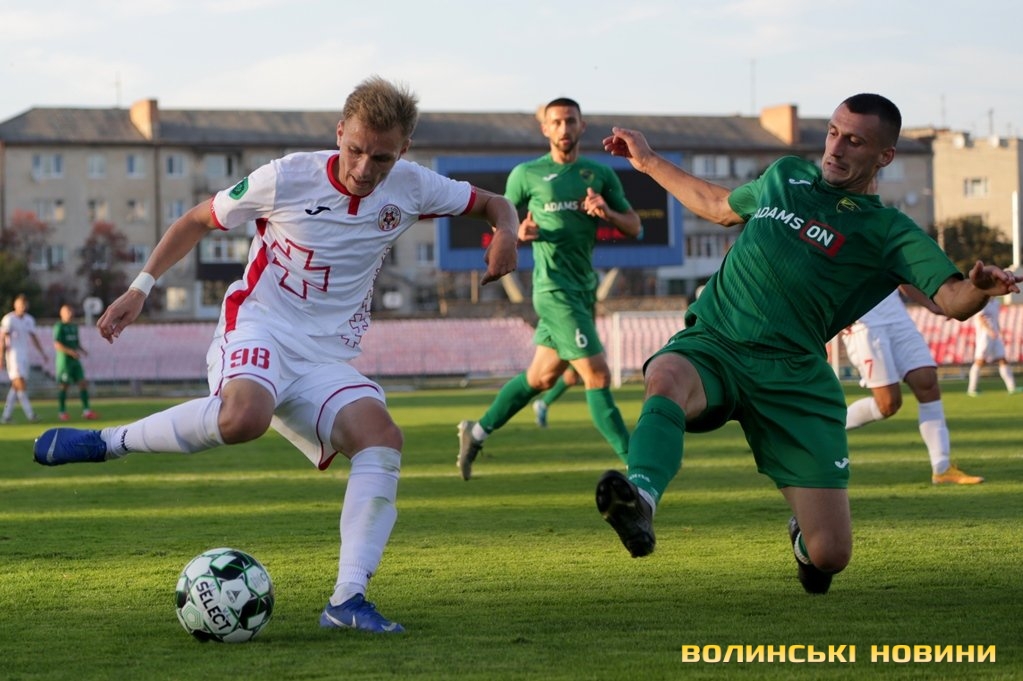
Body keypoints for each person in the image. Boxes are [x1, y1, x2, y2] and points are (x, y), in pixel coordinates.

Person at [32, 76, 519, 633]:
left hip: (326, 354)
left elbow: (494, 203)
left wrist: (505, 234)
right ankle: (108, 442)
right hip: (259, 324)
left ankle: (347, 600)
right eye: (355, 149)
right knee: (244, 419)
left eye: (382, 158)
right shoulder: (286, 177)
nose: (364, 168)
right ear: (340, 132)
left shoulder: (414, 185)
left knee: (381, 438)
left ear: (403, 150)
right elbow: (197, 219)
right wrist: (140, 287)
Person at [595, 93, 1021, 595]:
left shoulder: (888, 231)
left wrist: (980, 288)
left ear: (884, 156)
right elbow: (716, 205)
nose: (835, 148)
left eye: (854, 141)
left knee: (830, 554)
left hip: (794, 377)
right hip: (715, 344)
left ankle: (803, 540)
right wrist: (647, 161)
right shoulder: (784, 176)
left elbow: (950, 299)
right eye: (833, 133)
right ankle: (641, 499)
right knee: (665, 376)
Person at [457, 97, 642, 480]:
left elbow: (634, 227)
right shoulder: (526, 174)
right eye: (555, 122)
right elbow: (501, 222)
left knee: (541, 378)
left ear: (581, 126)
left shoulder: (599, 174)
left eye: (570, 121)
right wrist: (517, 233)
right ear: (545, 128)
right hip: (553, 290)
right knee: (597, 375)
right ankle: (639, 468)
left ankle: (475, 432)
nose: (563, 128)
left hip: (584, 290)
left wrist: (607, 212)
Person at [842, 287, 983, 484]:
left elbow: (901, 275)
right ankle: (828, 426)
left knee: (927, 382)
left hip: (897, 316)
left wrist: (931, 304)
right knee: (888, 404)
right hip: (863, 322)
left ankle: (942, 468)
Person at [1, 293, 48, 424]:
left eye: (24, 305)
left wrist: (42, 353)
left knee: (16, 387)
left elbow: (34, 338)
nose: (23, 307)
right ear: (15, 305)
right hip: (13, 356)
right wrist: (1, 357)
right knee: (20, 384)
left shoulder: (29, 319)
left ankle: (6, 416)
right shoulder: (9, 319)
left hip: (24, 356)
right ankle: (31, 414)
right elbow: (3, 339)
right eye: (20, 304)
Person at [53, 303, 98, 421]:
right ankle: (62, 412)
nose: (70, 314)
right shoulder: (59, 326)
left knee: (83, 383)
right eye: (67, 312)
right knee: (64, 386)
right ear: (61, 314)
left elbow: (76, 343)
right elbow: (57, 344)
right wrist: (70, 352)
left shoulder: (74, 327)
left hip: (75, 361)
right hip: (64, 362)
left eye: (71, 311)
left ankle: (87, 411)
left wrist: (83, 350)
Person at [966, 296, 1019, 396]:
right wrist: (989, 330)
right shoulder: (982, 302)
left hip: (995, 336)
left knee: (1002, 359)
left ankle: (1012, 388)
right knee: (980, 361)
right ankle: (972, 389)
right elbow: (980, 318)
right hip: (984, 336)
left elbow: (995, 319)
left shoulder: (996, 302)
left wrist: (999, 330)